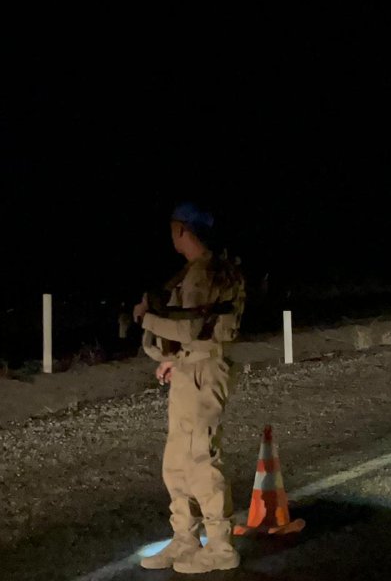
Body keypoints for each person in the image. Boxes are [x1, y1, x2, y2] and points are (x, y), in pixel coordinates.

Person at [134, 203, 246, 573]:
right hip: (189, 369)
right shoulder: (198, 272)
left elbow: (190, 330)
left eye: (174, 229)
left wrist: (145, 318)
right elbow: (191, 333)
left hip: (203, 373)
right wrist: (173, 359)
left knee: (201, 459)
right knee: (177, 462)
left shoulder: (205, 273)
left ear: (183, 230)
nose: (172, 236)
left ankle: (219, 545)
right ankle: (185, 538)